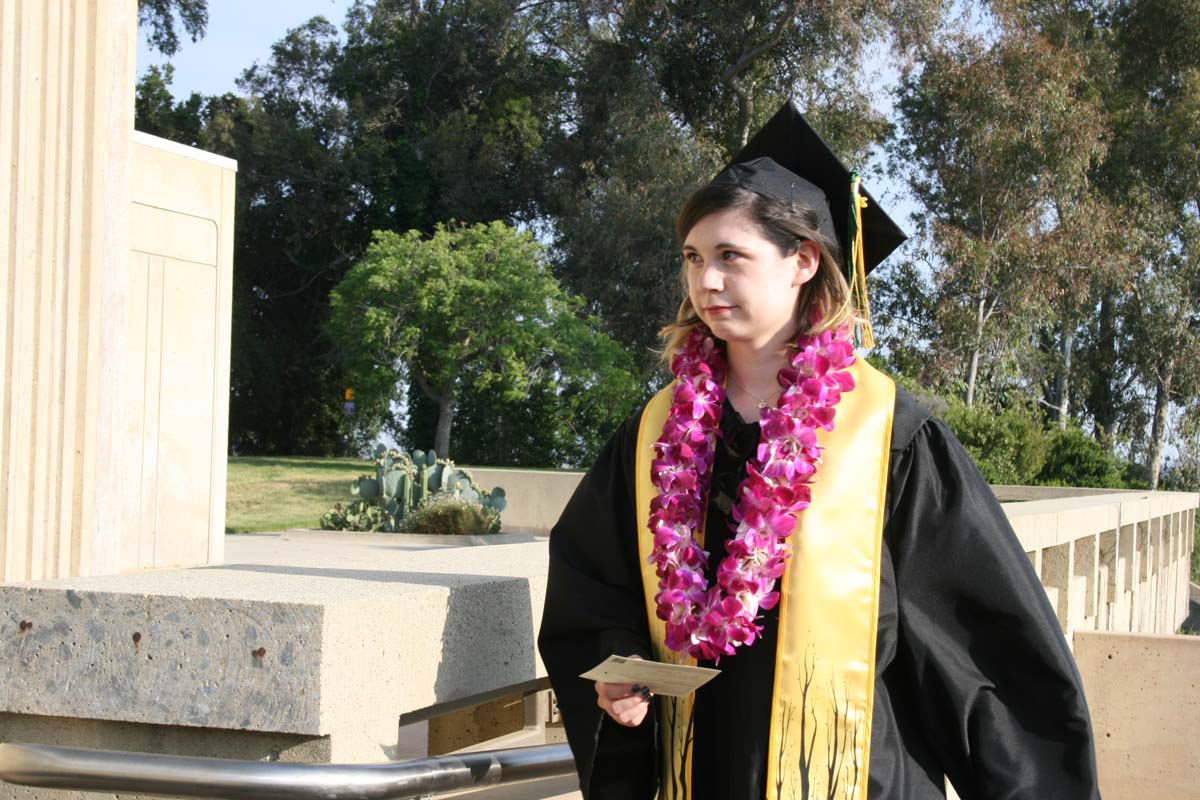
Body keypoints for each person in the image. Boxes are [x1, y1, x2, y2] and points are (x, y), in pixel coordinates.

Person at [537, 101, 1101, 800]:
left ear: (803, 260)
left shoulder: (887, 434)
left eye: (730, 257)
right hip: (700, 773)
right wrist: (614, 663)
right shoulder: (657, 432)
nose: (704, 281)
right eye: (693, 258)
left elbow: (987, 651)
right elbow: (593, 586)